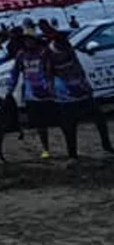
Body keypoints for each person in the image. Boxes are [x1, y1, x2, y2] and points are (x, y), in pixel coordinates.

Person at [40, 20, 114, 159]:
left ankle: (105, 145)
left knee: (97, 118)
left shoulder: (66, 49)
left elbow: (77, 66)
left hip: (79, 89)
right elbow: (47, 74)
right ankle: (73, 154)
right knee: (70, 125)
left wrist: (85, 84)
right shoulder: (48, 53)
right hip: (66, 93)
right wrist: (53, 89)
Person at [6, 32, 59, 160]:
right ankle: (46, 149)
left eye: (31, 40)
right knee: (40, 125)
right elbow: (15, 73)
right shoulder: (21, 55)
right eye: (26, 40)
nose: (28, 43)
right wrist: (10, 89)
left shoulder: (44, 52)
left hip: (48, 93)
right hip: (32, 94)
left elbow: (53, 69)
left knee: (60, 120)